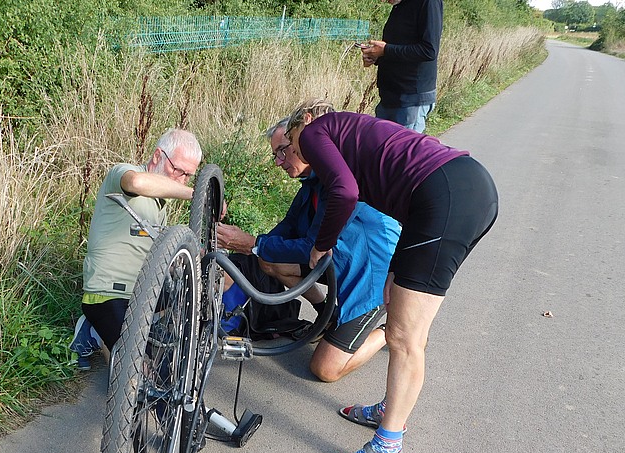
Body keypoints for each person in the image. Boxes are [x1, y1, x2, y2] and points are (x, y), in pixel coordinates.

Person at [285, 99, 498, 453]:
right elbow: (405, 198)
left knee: (404, 338)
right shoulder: (349, 135)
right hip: (461, 190)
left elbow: (345, 193)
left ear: (304, 121)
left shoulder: (316, 130)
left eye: (291, 143)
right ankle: (391, 408)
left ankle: (388, 450)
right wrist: (395, 268)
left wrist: (322, 244)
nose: (295, 152)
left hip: (446, 199)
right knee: (408, 325)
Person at [216, 113, 400, 383]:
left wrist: (253, 243)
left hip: (370, 279)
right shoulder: (312, 183)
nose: (279, 162)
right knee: (269, 260)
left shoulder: (338, 182)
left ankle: (391, 329)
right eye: (275, 155)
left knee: (325, 369)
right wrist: (252, 247)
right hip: (339, 264)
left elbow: (310, 247)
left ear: (301, 143)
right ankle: (328, 315)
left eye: (282, 151)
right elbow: (288, 228)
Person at [71, 129, 202, 364]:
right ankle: (94, 330)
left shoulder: (160, 204)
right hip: (108, 294)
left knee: (190, 290)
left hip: (141, 293)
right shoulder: (122, 174)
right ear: (157, 156)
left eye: (188, 176)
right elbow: (137, 181)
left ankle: (108, 332)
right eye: (177, 170)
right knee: (143, 375)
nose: (180, 179)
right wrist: (197, 194)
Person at [360, 0, 443, 133]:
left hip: (411, 98)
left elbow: (429, 51)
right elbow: (399, 47)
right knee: (384, 151)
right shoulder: (400, 5)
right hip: (390, 97)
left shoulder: (428, 3)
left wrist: (386, 50)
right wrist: (376, 56)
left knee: (405, 152)